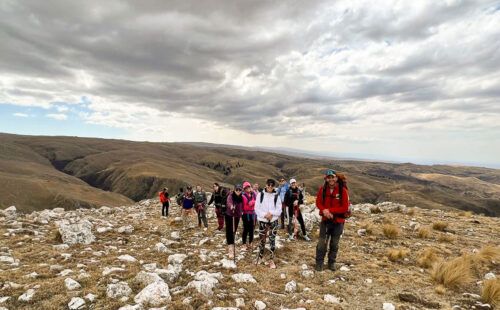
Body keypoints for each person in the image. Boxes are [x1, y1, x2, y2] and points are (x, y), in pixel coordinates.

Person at [315, 169, 350, 272]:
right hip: (326, 220)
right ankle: (319, 263)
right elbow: (318, 202)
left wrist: (329, 210)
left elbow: (345, 207)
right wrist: (324, 211)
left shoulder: (342, 190)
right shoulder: (322, 189)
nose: (330, 179)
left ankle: (331, 262)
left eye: (332, 177)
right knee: (322, 243)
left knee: (334, 243)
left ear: (336, 178)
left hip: (338, 222)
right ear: (326, 179)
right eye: (328, 177)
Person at [254, 179, 282, 269]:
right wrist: (265, 215)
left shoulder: (277, 196)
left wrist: (271, 214)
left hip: (273, 221)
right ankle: (260, 257)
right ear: (266, 185)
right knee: (262, 240)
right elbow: (256, 208)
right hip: (262, 221)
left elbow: (279, 209)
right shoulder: (260, 195)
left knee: (272, 240)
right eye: (268, 185)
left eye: (272, 185)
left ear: (274, 186)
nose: (270, 187)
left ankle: (271, 259)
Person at [226, 184, 244, 259]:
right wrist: (231, 206)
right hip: (230, 215)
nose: (238, 191)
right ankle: (230, 248)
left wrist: (242, 212)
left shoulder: (241, 197)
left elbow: (242, 205)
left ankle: (232, 246)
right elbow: (229, 202)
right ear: (234, 190)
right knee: (229, 231)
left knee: (234, 230)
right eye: (237, 190)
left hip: (237, 216)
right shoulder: (231, 196)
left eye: (240, 190)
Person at [241, 182, 256, 250]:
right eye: (246, 188)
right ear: (244, 189)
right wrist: (252, 204)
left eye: (249, 187)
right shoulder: (243, 196)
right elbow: (245, 207)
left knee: (252, 229)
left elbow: (257, 202)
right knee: (246, 229)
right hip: (246, 214)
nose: (248, 189)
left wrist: (252, 203)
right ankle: (244, 243)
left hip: (253, 214)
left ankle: (251, 242)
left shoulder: (254, 194)